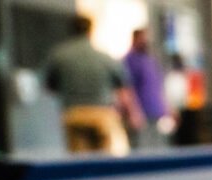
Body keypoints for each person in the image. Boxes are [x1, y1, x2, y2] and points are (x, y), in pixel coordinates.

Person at [44, 16, 143, 156]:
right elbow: (123, 89)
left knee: (81, 163)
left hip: (73, 115)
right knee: (112, 162)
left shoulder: (59, 56)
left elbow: (50, 88)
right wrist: (133, 113)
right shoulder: (104, 57)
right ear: (90, 31)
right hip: (102, 115)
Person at [124, 28, 173, 149]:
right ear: (135, 39)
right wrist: (133, 112)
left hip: (157, 112)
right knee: (142, 147)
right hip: (141, 113)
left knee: (159, 146)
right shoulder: (129, 60)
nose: (146, 41)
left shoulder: (150, 60)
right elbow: (126, 88)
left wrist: (168, 107)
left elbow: (158, 87)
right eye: (143, 37)